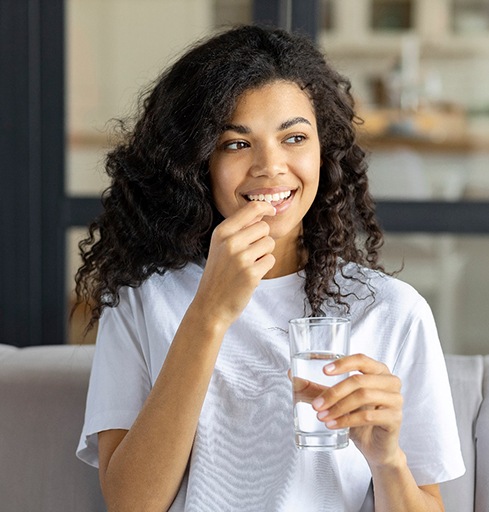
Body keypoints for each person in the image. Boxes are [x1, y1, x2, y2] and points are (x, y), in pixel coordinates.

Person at [75, 25, 464, 512]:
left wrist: (388, 462)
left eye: (294, 137)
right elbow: (131, 504)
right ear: (197, 163)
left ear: (325, 151)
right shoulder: (142, 300)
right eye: (237, 144)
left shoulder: (392, 311)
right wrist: (209, 313)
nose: (271, 166)